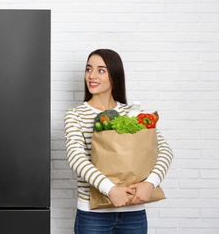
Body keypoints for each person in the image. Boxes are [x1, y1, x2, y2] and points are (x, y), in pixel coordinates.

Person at [64, 49, 173, 233]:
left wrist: (150, 183)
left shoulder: (133, 113)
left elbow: (165, 150)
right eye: (88, 69)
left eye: (101, 70)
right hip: (93, 215)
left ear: (115, 76)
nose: (91, 75)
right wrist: (111, 189)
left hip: (134, 213)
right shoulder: (75, 115)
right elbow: (76, 158)